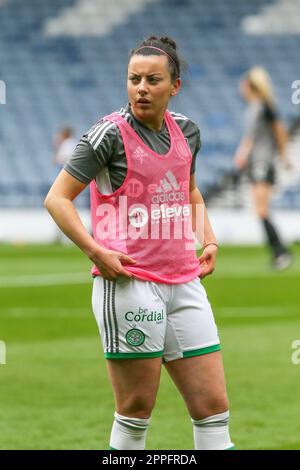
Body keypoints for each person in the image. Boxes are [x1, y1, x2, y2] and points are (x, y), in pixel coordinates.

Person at [45, 35, 234, 451]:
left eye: (152, 79)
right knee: (136, 409)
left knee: (213, 407)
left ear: (175, 85)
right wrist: (96, 251)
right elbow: (56, 199)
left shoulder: (187, 130)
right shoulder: (106, 135)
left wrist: (208, 238)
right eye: (133, 79)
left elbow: (190, 192)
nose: (141, 88)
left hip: (185, 282)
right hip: (130, 284)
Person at [234, 66, 293, 270]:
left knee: (261, 210)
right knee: (260, 210)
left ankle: (281, 252)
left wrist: (284, 156)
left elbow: (280, 130)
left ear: (251, 86)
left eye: (244, 84)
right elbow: (251, 137)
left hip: (263, 163)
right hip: (256, 163)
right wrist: (243, 155)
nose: (241, 88)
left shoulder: (263, 106)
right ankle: (280, 251)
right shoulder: (253, 108)